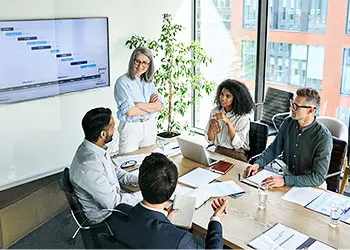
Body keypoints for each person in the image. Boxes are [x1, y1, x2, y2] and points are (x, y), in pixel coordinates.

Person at [109, 153, 228, 249]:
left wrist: (166, 221)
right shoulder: (180, 240)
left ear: (139, 184)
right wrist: (216, 220)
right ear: (172, 189)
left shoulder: (118, 212)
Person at [244, 88, 333, 188]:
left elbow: (318, 178)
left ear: (311, 110)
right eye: (292, 103)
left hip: (310, 185)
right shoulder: (288, 122)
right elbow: (274, 149)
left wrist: (285, 180)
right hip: (287, 176)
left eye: (296, 106)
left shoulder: (323, 137)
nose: (291, 108)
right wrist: (258, 164)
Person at [70, 107, 141, 224]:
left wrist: (139, 180)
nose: (115, 128)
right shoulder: (89, 166)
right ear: (103, 134)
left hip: (113, 202)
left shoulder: (94, 149)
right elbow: (114, 203)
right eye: (112, 125)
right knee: (154, 216)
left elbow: (114, 172)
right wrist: (145, 196)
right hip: (106, 218)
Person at [114, 47, 163, 154]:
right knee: (128, 163)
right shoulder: (122, 82)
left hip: (149, 125)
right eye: (137, 61)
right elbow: (130, 112)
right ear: (132, 61)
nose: (140, 66)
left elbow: (159, 106)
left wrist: (138, 104)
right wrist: (150, 107)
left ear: (149, 65)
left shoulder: (149, 82)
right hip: (131, 126)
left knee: (149, 163)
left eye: (145, 62)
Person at [205, 79, 254, 162]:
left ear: (236, 99)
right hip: (219, 151)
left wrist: (228, 122)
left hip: (237, 154)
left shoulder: (243, 118)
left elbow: (237, 145)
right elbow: (210, 140)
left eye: (228, 96)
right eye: (222, 94)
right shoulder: (215, 111)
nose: (223, 98)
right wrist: (211, 125)